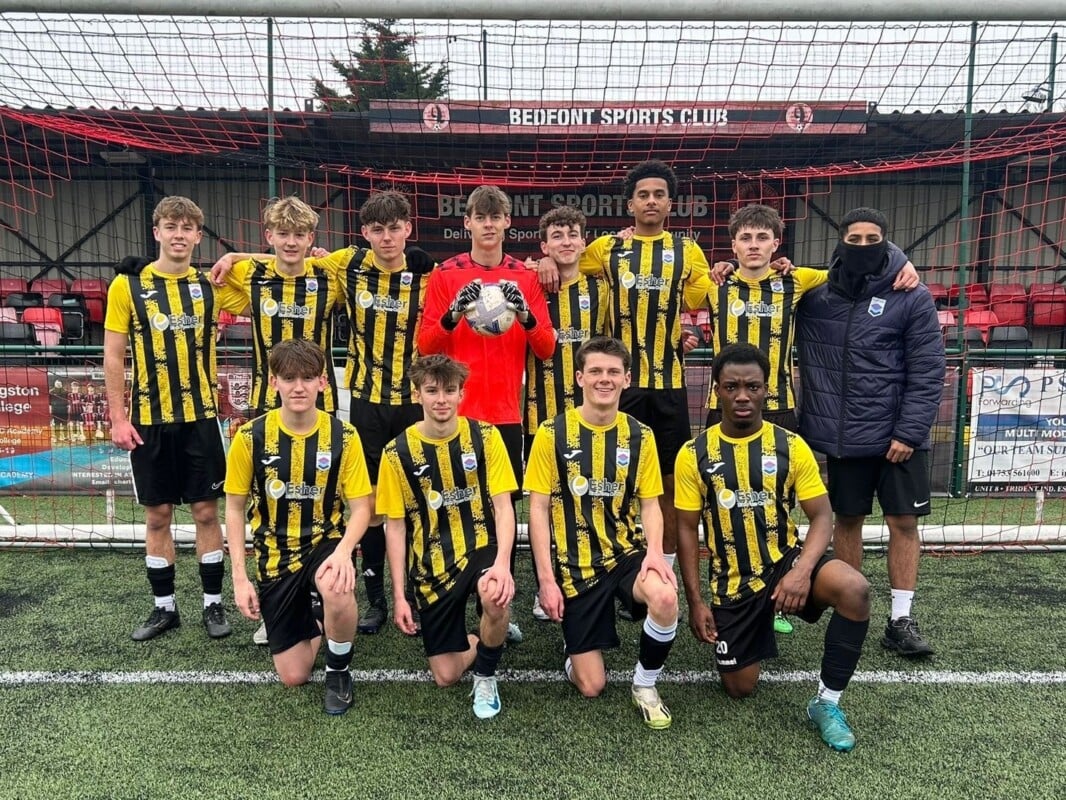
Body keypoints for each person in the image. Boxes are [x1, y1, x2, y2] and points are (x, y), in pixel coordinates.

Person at [675, 343, 871, 752]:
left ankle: (827, 703)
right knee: (740, 689)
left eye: (752, 386)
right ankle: (754, 625)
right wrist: (695, 601)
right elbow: (687, 531)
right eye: (731, 387)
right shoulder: (694, 454)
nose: (742, 395)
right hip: (733, 583)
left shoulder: (791, 446)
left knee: (854, 589)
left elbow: (822, 516)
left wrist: (801, 572)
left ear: (768, 390)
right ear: (716, 391)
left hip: (786, 565)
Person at [535, 160, 709, 568]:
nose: (651, 201)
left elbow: (701, 299)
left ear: (670, 203)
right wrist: (539, 262)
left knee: (666, 482)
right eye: (643, 195)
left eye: (659, 194)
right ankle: (612, 557)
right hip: (619, 386)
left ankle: (662, 567)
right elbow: (567, 260)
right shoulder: (607, 249)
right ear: (630, 204)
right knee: (613, 479)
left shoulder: (688, 251)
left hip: (669, 384)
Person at [795, 207, 945, 659]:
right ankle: (849, 607)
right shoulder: (815, 296)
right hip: (844, 437)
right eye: (854, 239)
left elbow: (928, 369)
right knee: (848, 522)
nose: (863, 246)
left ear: (887, 242)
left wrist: (910, 430)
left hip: (898, 437)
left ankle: (901, 619)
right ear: (839, 243)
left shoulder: (911, 295)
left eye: (872, 239)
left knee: (903, 522)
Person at [104, 196, 248, 642]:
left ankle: (212, 605)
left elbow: (279, 267)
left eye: (188, 227)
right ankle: (164, 609)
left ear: (198, 236)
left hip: (201, 417)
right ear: (157, 232)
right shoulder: (127, 287)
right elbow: (113, 354)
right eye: (171, 226)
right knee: (157, 517)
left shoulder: (213, 285)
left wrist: (237, 256)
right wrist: (117, 417)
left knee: (207, 511)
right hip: (148, 419)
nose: (179, 234)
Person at [417, 184, 556, 643]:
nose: (490, 224)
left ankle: (497, 605)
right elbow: (425, 347)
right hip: (453, 416)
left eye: (497, 217)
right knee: (451, 512)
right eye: (482, 217)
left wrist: (527, 315)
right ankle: (446, 600)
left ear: (507, 223)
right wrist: (455, 313)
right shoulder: (446, 275)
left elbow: (548, 348)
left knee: (501, 513)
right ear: (469, 223)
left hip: (505, 415)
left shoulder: (525, 277)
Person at [526, 336, 679, 729]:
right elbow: (538, 509)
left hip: (625, 554)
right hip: (575, 565)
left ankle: (645, 686)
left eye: (613, 372)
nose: (604, 379)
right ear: (579, 377)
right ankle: (573, 650)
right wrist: (546, 580)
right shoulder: (550, 433)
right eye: (595, 371)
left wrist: (655, 555)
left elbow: (650, 503)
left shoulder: (640, 435)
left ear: (627, 379)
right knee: (591, 685)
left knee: (663, 596)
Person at [224, 339, 372, 715]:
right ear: (273, 382)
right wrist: (239, 579)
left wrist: (343, 552)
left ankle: (339, 671)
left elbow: (361, 508)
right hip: (275, 554)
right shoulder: (249, 438)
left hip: (325, 542)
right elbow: (235, 507)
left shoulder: (345, 437)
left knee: (337, 586)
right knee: (294, 675)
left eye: (308, 378)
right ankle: (319, 616)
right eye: (289, 378)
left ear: (323, 382)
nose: (299, 387)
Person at [377, 354, 516, 719]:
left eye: (449, 391)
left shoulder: (486, 438)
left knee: (495, 593)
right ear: (417, 395)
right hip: (432, 564)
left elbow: (503, 507)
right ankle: (484, 635)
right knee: (446, 675)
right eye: (432, 390)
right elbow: (395, 527)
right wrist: (399, 597)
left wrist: (502, 565)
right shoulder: (396, 454)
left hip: (480, 548)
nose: (441, 399)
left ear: (461, 395)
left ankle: (486, 674)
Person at [524, 205, 611, 622]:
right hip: (539, 414)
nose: (565, 242)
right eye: (556, 236)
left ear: (584, 240)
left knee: (589, 496)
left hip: (589, 416)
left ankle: (595, 575)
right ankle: (547, 583)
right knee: (544, 501)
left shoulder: (601, 290)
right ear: (544, 245)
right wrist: (535, 265)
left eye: (573, 234)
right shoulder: (530, 286)